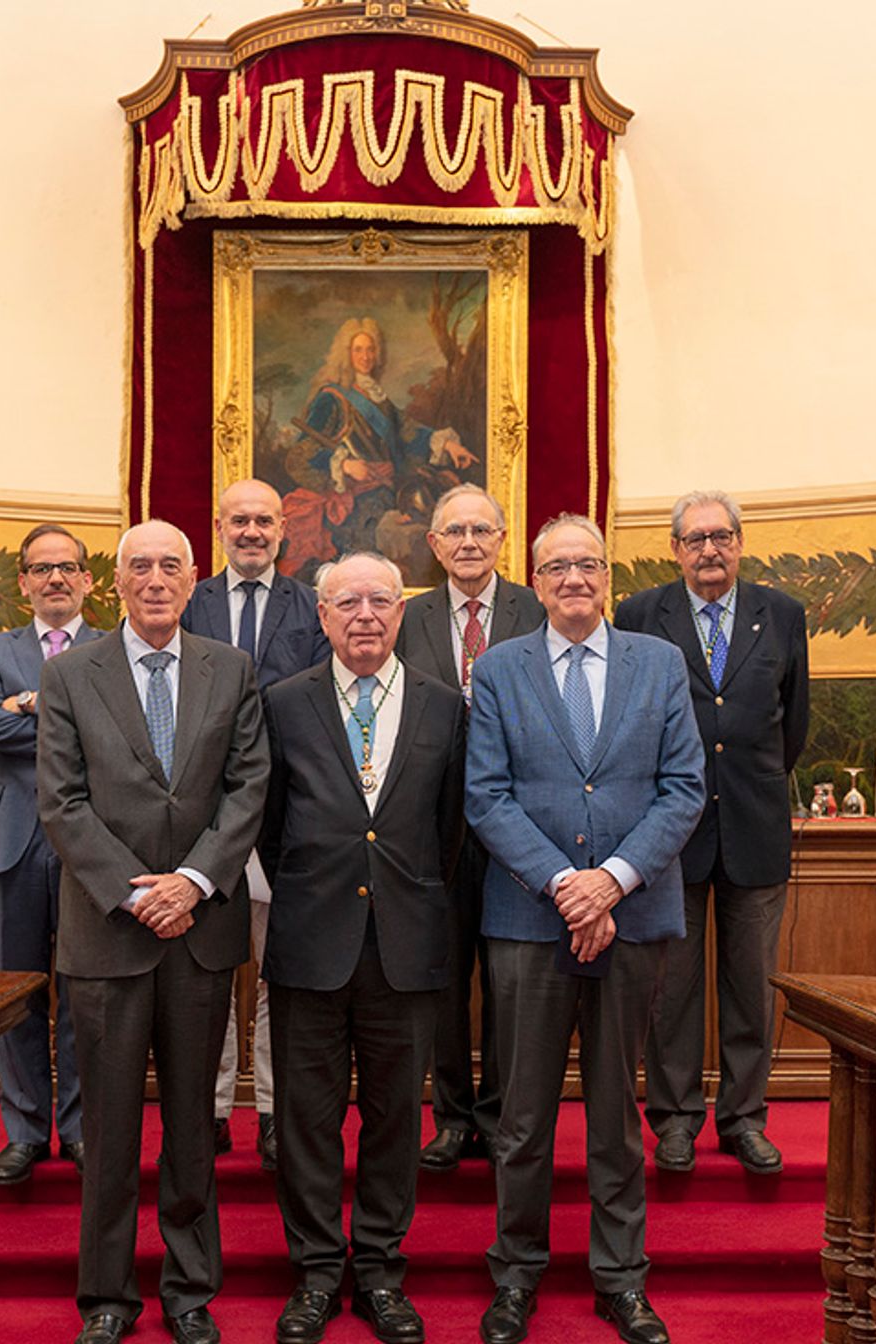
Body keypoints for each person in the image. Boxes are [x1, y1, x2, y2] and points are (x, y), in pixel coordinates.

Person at [465, 514, 704, 1344]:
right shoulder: (498, 668)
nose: (574, 577)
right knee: (523, 1116)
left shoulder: (660, 663)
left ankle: (620, 1279)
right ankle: (517, 1276)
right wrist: (569, 886)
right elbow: (486, 796)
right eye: (557, 566)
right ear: (534, 581)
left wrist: (613, 882)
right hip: (530, 922)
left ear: (609, 576)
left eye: (589, 564)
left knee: (614, 1109)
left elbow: (683, 788)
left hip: (635, 917)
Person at [38, 519, 269, 1344]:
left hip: (201, 930)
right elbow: (61, 803)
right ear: (118, 580)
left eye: (172, 565)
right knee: (107, 1130)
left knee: (191, 1126)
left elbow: (248, 788)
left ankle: (188, 1289)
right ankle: (106, 1296)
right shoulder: (69, 674)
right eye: (142, 566)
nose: (158, 578)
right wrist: (138, 894)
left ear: (194, 576)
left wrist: (195, 882)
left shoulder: (232, 669)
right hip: (110, 932)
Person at [260, 552, 466, 1344]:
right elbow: (272, 826)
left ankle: (379, 1270)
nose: (366, 615)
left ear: (403, 613)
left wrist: (401, 892)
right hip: (311, 941)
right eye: (348, 602)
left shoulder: (446, 707)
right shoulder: (284, 702)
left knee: (390, 1120)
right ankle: (315, 1272)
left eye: (382, 600)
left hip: (406, 945)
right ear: (322, 616)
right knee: (307, 1121)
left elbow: (448, 833)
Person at [614, 490, 810, 1177]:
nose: (709, 550)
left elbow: (794, 728)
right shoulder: (640, 615)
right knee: (672, 990)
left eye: (721, 536)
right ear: (674, 550)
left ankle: (744, 1118)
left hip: (754, 827)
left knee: (751, 986)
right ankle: (673, 1120)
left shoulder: (781, 614)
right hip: (670, 835)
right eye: (695, 539)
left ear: (740, 542)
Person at [392, 484, 543, 1171]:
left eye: (482, 530)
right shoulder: (408, 616)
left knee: (513, 984)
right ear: (433, 545)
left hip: (521, 830)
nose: (469, 543)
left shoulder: (538, 611)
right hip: (433, 831)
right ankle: (452, 1116)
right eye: (454, 532)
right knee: (444, 982)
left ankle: (505, 1112)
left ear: (502, 540)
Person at [181, 477, 331, 1170]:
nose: (251, 532)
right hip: (200, 819)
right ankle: (208, 1110)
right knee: (207, 970)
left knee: (279, 972)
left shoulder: (312, 607)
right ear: (219, 527)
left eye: (263, 521)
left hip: (286, 818)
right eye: (238, 520)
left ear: (282, 531)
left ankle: (273, 1110)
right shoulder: (189, 601)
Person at [0, 522, 99, 1183]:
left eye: (67, 567)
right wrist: (62, 713)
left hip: (88, 846)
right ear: (23, 583)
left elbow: (112, 735)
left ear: (88, 580)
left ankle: (74, 1128)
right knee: (17, 993)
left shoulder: (110, 647)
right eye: (41, 569)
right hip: (11, 838)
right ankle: (24, 1129)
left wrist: (28, 708)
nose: (55, 578)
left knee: (79, 992)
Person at [277, 317, 480, 578]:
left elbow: (409, 431)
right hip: (355, 502)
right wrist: (345, 465)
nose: (366, 356)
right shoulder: (332, 398)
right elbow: (299, 457)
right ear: (346, 354)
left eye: (370, 349)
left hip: (386, 491)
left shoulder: (378, 397)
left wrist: (450, 445)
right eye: (358, 349)